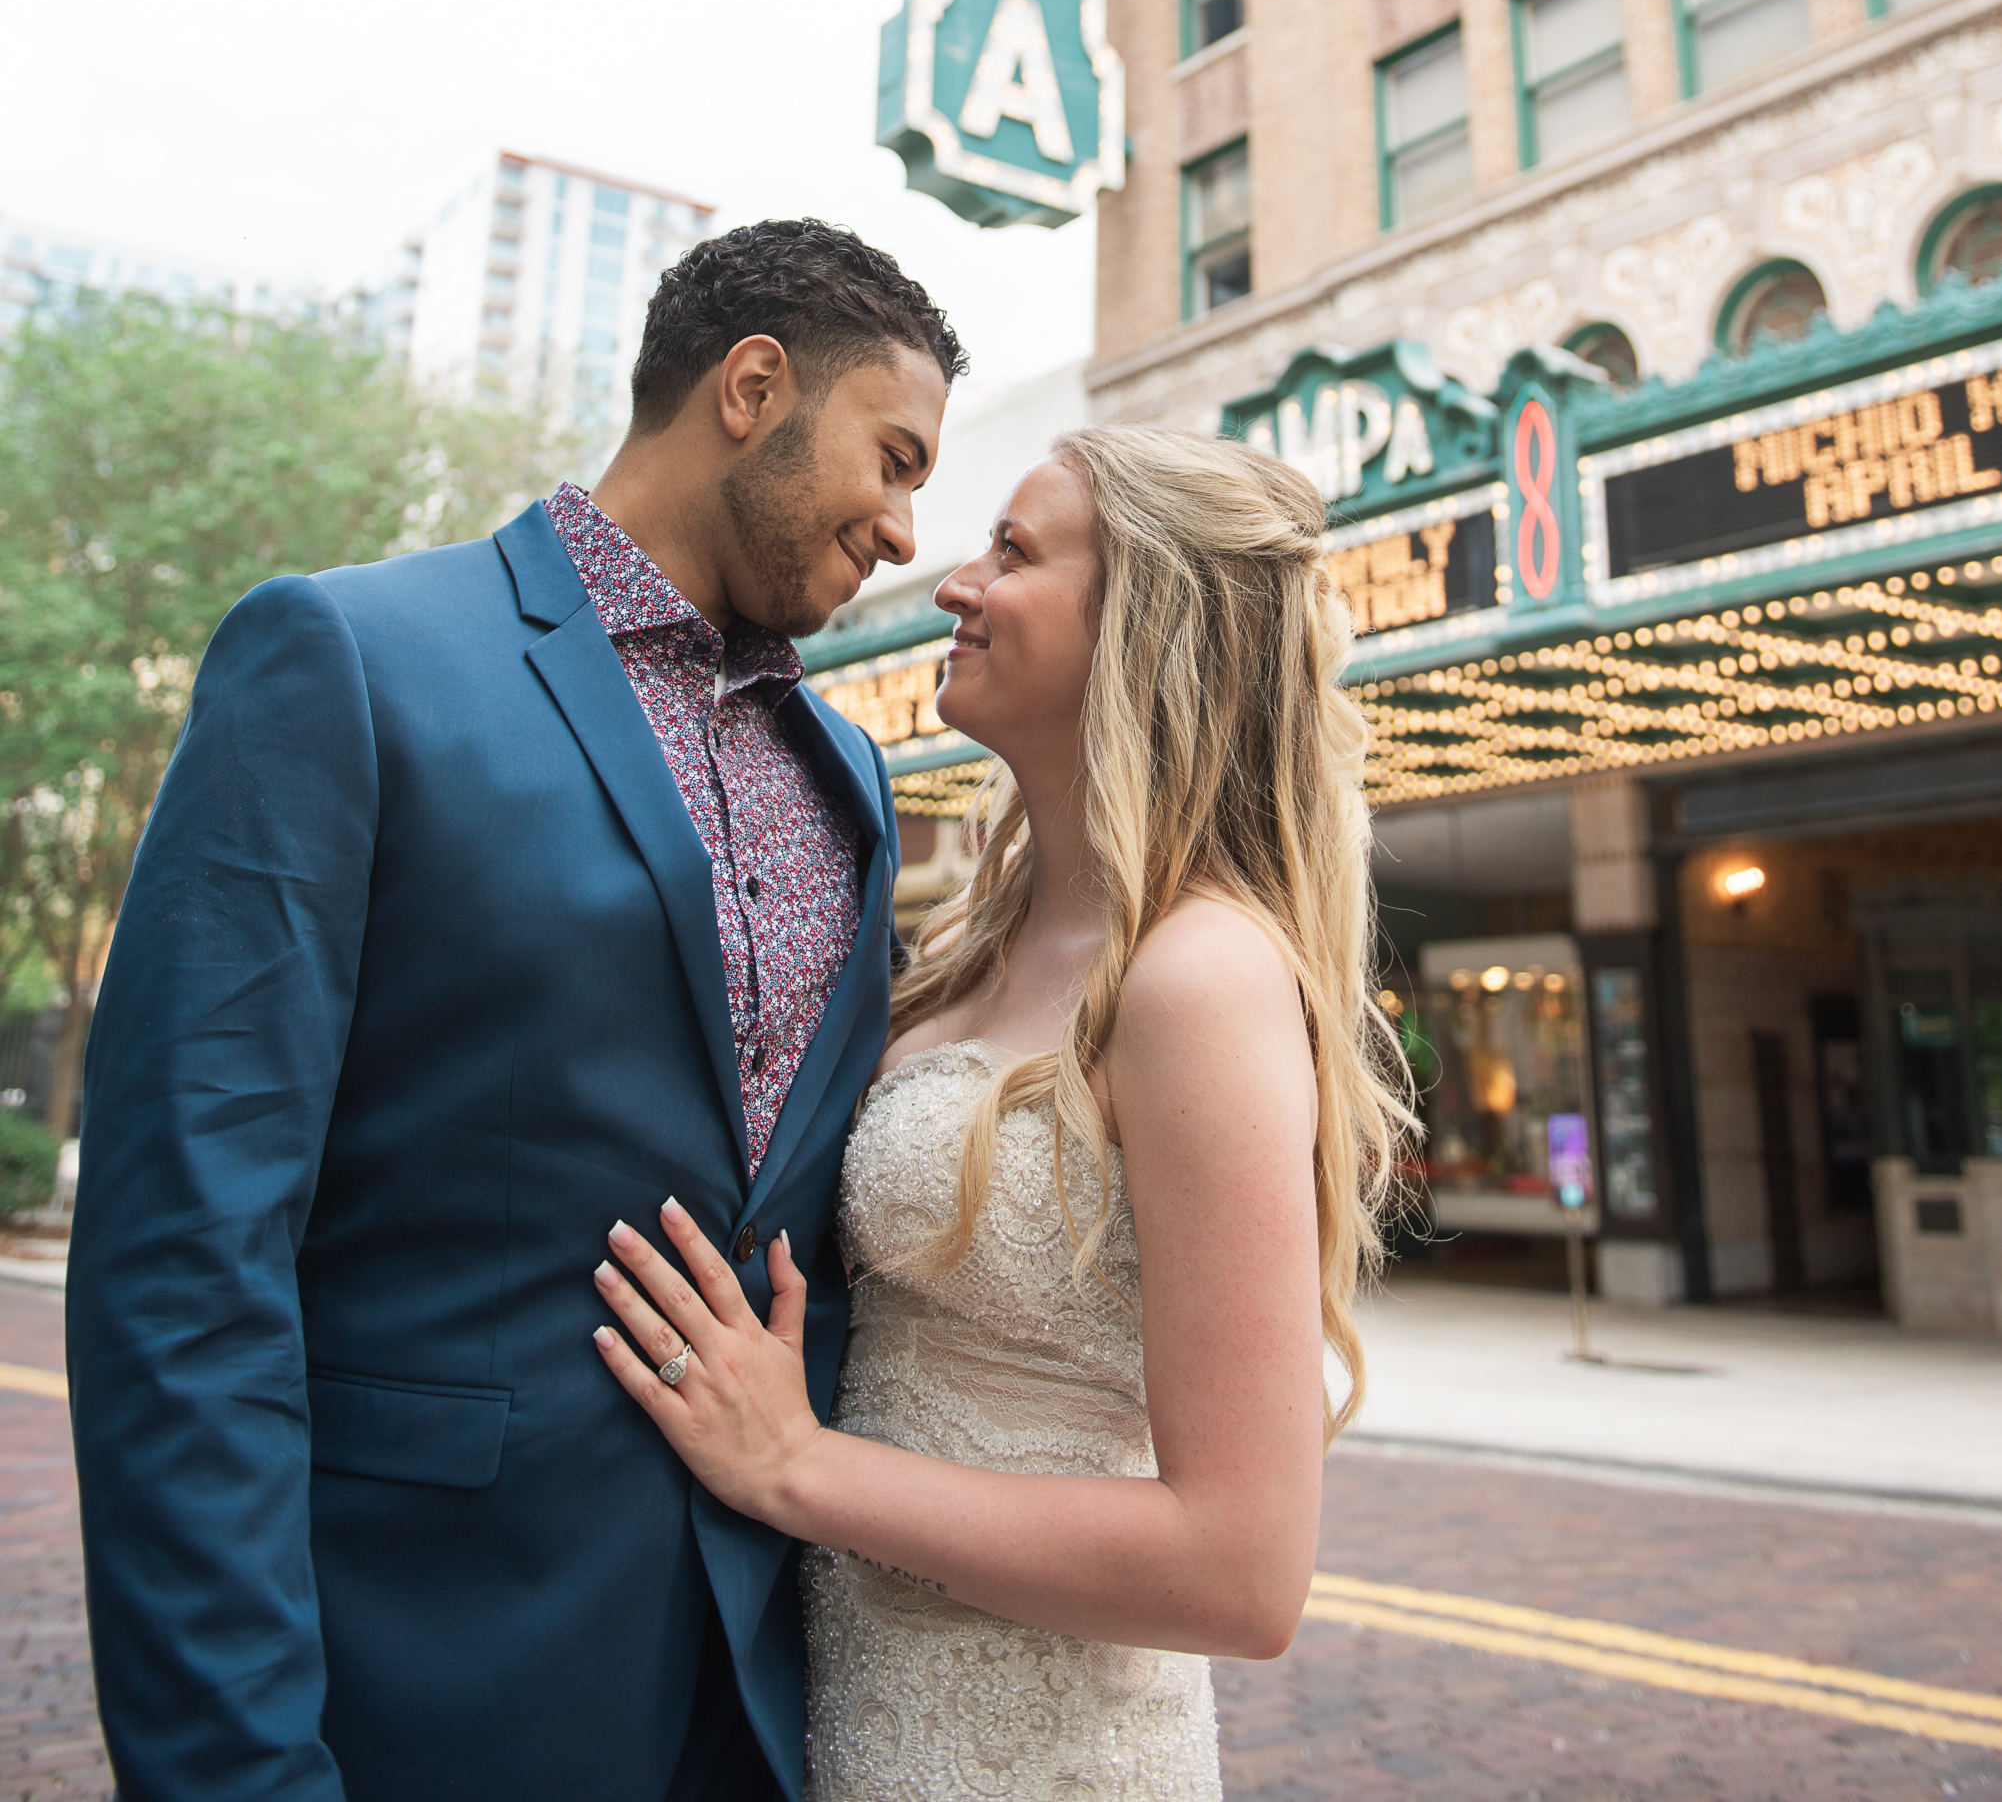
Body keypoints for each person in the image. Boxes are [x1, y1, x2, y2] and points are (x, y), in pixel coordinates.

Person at [67, 218, 967, 1802]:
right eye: (890, 459)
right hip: (420, 1679)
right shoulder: (344, 657)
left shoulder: (854, 778)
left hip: (756, 1702)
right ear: (753, 387)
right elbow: (183, 1261)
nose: (903, 530)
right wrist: (232, 1767)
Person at [592, 425, 1415, 1802]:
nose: (951, 582)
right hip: (866, 1716)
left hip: (1047, 1757)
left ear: (1148, 622)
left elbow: (1241, 1572)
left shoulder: (1199, 977)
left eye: (1015, 552)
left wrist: (797, 1467)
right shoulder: (983, 934)